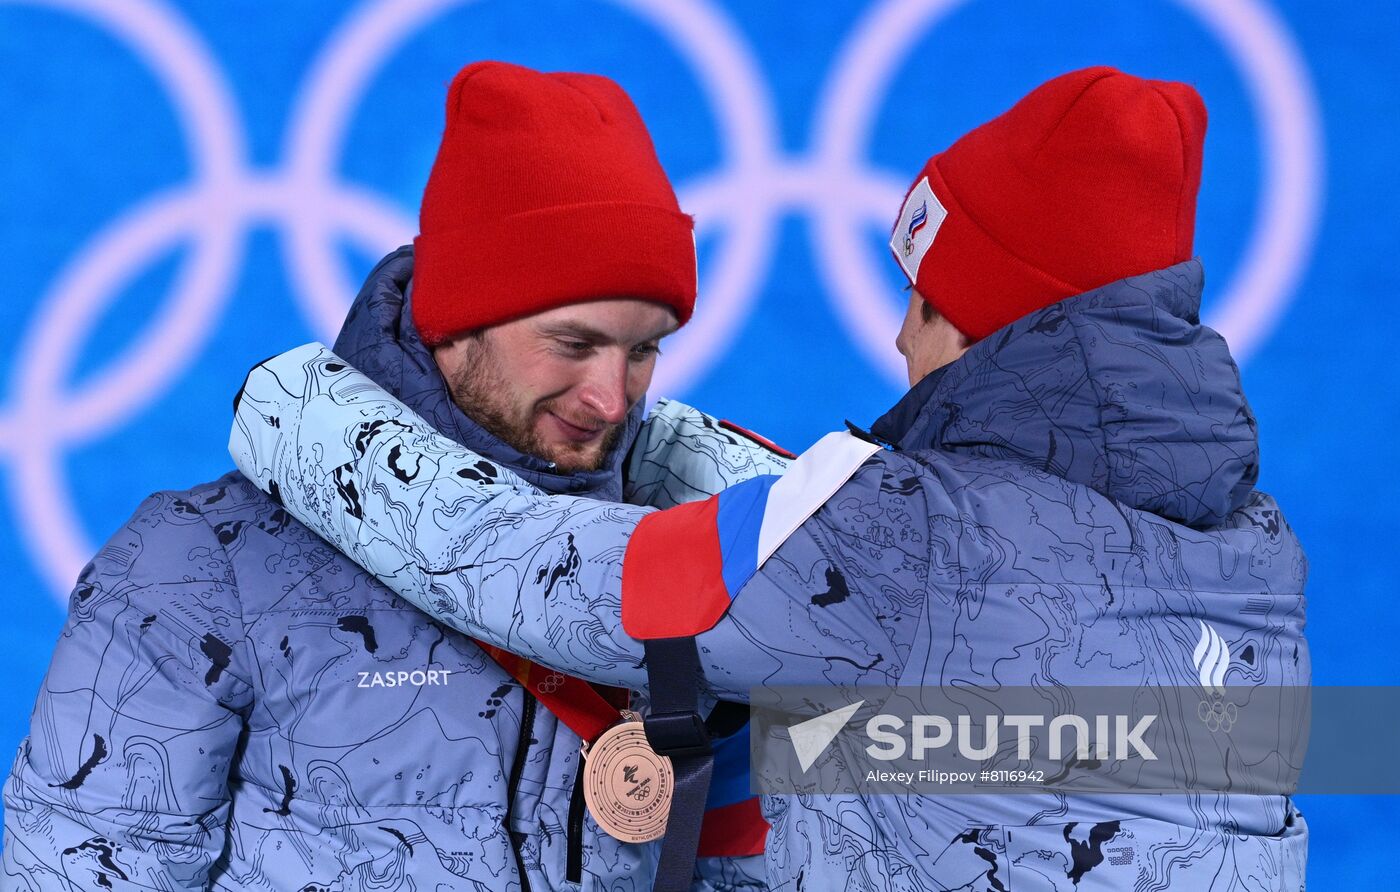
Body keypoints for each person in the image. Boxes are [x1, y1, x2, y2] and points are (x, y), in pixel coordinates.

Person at [227, 67, 1311, 890]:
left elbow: (527, 573)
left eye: (923, 302)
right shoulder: (1253, 552)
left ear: (984, 327)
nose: (896, 338)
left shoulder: (905, 538)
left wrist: (291, 401)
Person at [2, 61, 786, 891]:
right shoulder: (195, 567)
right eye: (573, 344)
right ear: (457, 320)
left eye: (643, 349)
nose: (610, 396)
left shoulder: (712, 569)